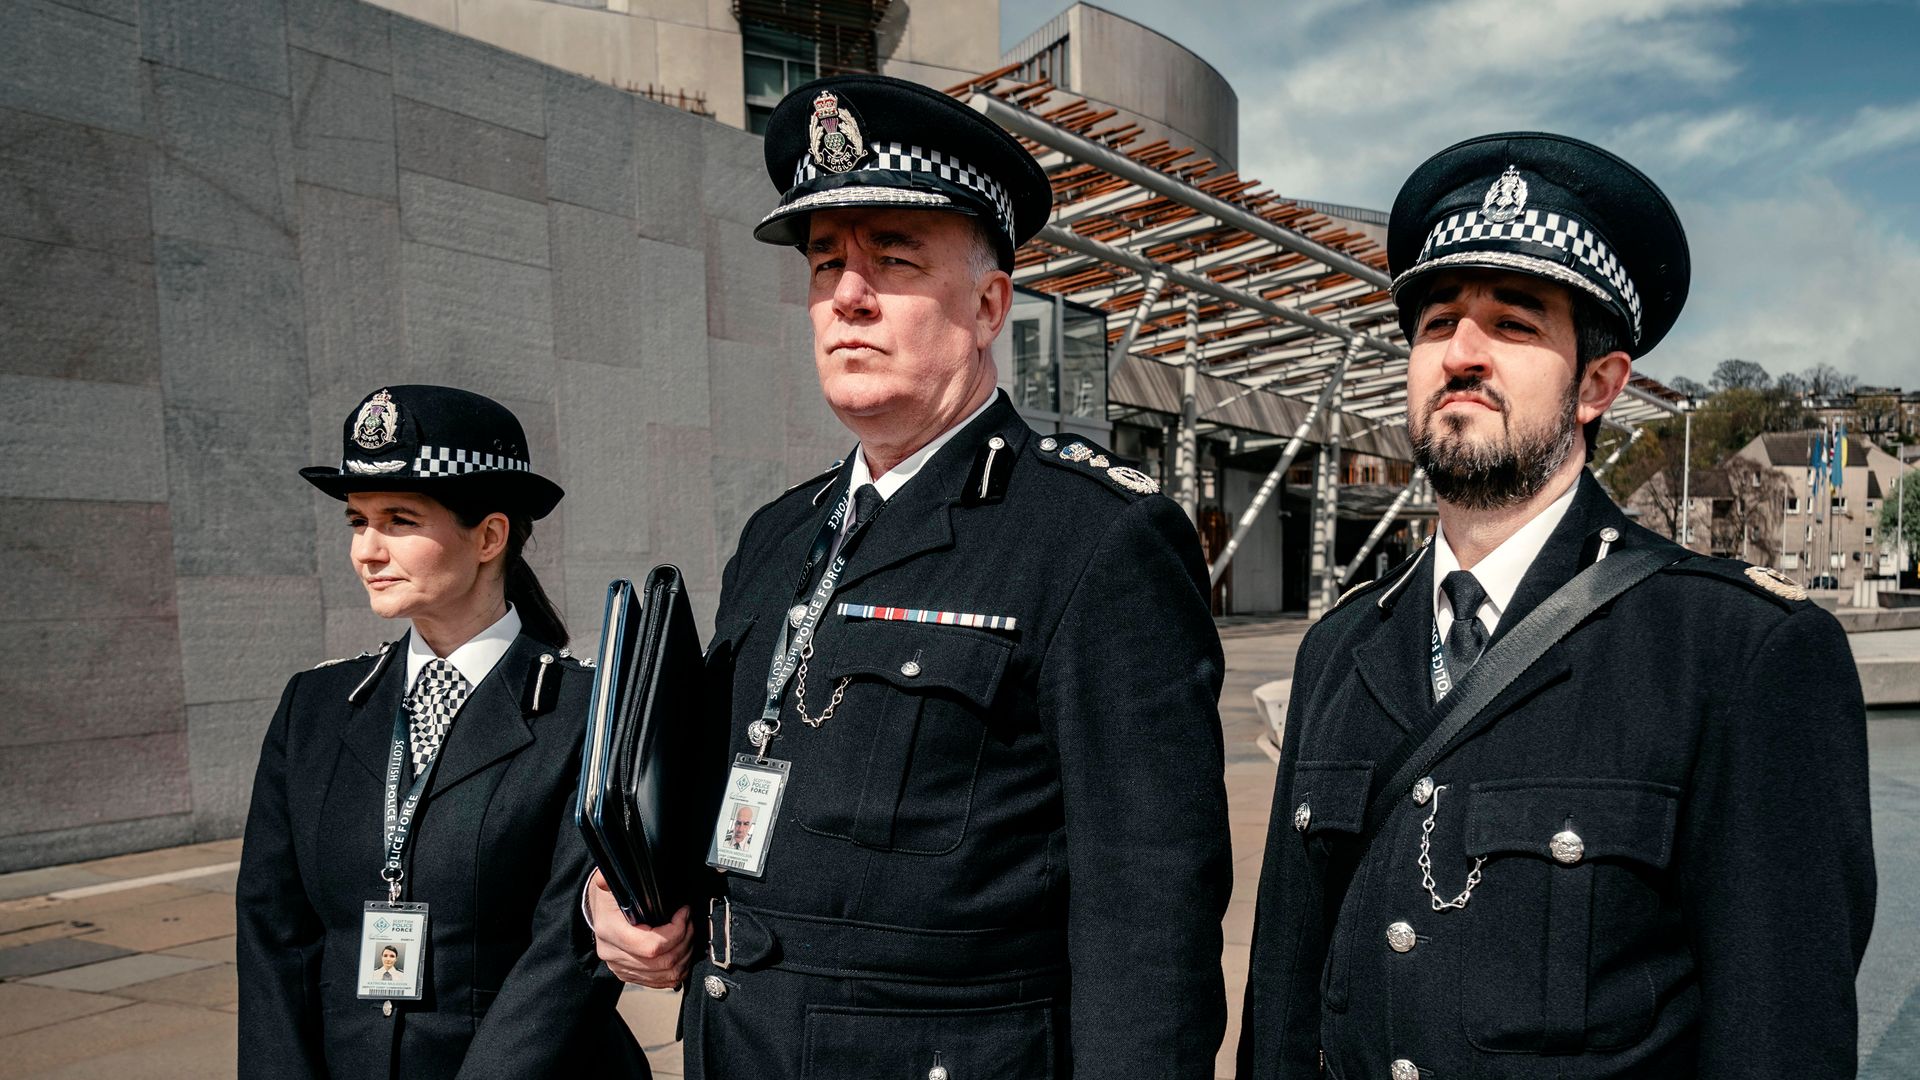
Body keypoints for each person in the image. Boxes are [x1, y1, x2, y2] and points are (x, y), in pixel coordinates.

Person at [587, 74, 1233, 1077]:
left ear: (988, 305)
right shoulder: (777, 533)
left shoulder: (1093, 537)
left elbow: (1150, 920)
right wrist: (630, 894)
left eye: (893, 258)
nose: (848, 296)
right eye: (826, 262)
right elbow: (724, 777)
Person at [1236, 133, 1877, 1080]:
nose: (1461, 353)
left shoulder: (1736, 653)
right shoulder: (1339, 649)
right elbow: (1283, 1007)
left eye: (1513, 323)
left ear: (1597, 385)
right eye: (1436, 323)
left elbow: (1781, 1036)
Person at [236, 386, 648, 1079]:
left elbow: (569, 949)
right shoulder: (315, 706)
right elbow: (271, 929)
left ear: (489, 537)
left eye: (399, 521)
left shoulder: (588, 711)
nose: (367, 551)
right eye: (357, 521)